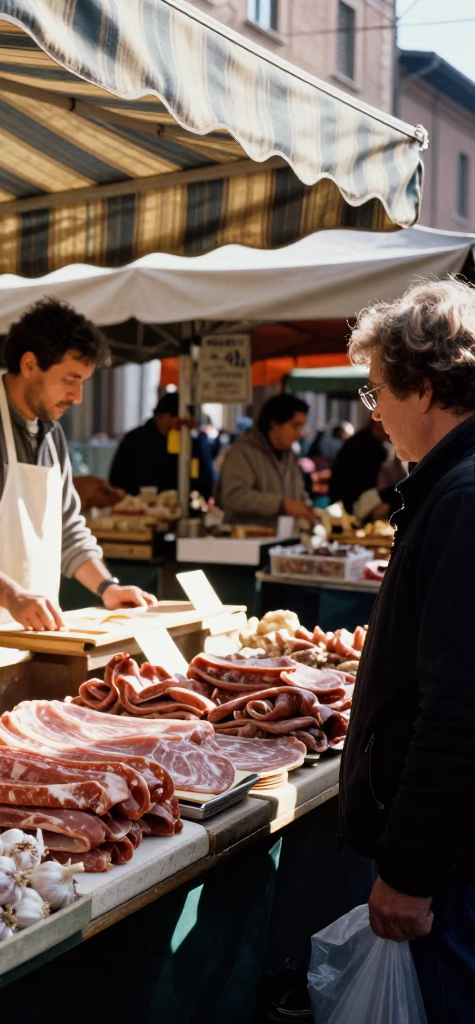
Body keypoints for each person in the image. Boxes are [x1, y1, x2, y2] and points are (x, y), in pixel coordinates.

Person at [339, 279, 475, 1020]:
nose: (376, 412)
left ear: (422, 389)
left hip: (452, 875)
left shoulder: (462, 497)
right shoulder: (450, 486)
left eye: (377, 391)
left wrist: (411, 870)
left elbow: (459, 710)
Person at [0, 297, 156, 634]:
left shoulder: (51, 434)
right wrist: (14, 596)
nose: (77, 397)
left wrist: (108, 588)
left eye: (83, 383)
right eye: (69, 380)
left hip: (31, 638)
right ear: (29, 365)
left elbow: (68, 530)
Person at [215, 392, 317, 528]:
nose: (299, 434)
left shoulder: (289, 455)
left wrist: (306, 508)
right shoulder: (243, 452)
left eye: (301, 427)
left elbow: (297, 493)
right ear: (275, 423)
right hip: (246, 542)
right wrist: (282, 504)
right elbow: (233, 496)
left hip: (281, 541)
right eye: (294, 426)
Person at [108, 391, 215, 499]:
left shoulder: (191, 444)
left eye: (180, 423)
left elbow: (206, 481)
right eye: (172, 418)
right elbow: (117, 480)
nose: (174, 426)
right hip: (139, 508)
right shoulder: (135, 440)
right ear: (159, 415)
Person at [328, 417, 402, 520]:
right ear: (379, 423)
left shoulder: (374, 445)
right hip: (351, 510)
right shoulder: (362, 447)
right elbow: (357, 489)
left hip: (353, 506)